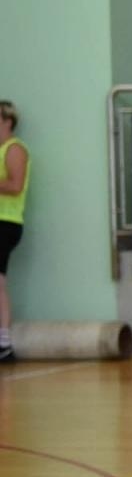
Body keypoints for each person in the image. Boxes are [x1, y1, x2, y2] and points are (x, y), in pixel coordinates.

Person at [0, 101, 29, 364]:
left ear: (7, 121)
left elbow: (15, 185)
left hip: (5, 222)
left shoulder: (14, 149)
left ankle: (4, 343)